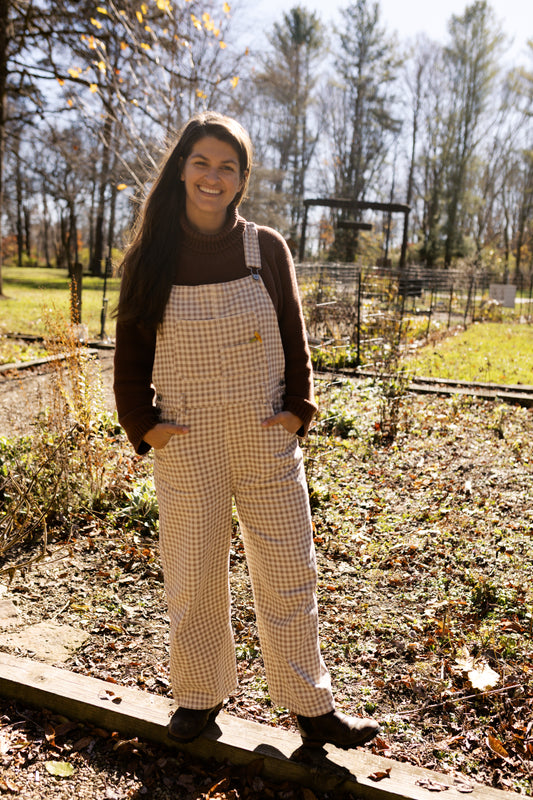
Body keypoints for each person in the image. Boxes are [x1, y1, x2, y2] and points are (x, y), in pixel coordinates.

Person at [113, 111, 380, 749]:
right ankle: (199, 700)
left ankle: (311, 706)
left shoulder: (266, 249)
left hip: (265, 434)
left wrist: (298, 408)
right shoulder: (150, 257)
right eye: (201, 161)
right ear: (182, 167)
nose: (213, 175)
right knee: (194, 571)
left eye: (227, 167)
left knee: (290, 567)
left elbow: (295, 337)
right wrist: (144, 426)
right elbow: (127, 356)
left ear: (242, 180)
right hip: (186, 439)